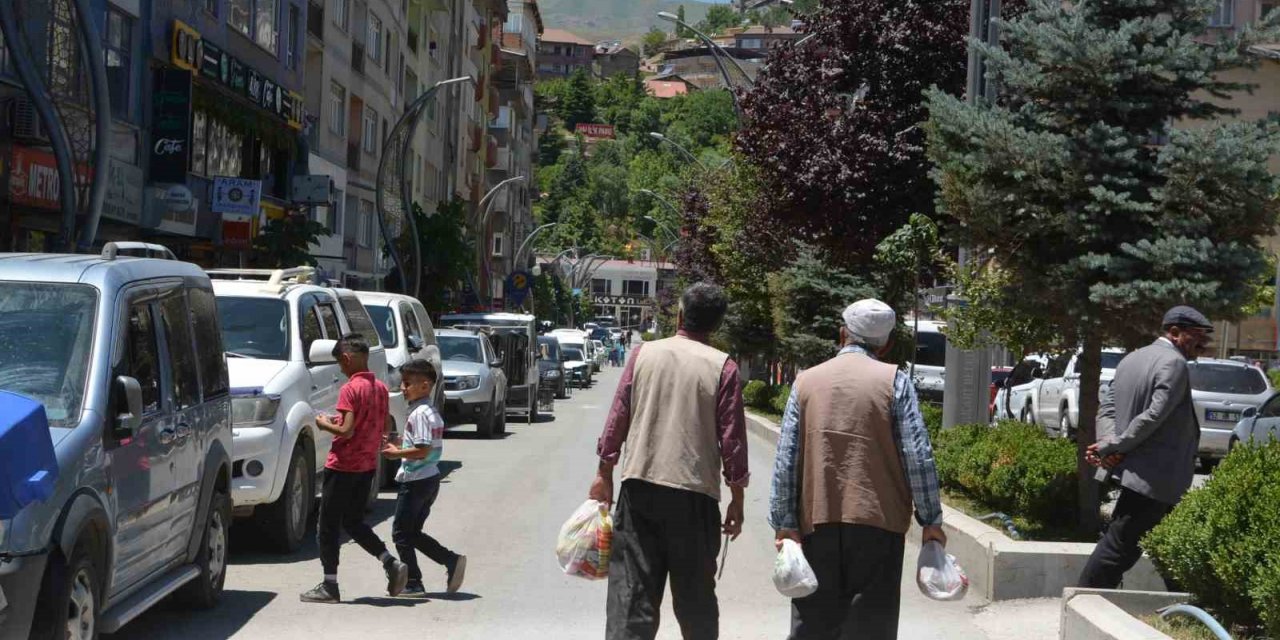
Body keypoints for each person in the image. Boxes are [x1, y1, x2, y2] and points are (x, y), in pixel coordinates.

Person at [768, 299, 946, 640]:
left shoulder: (805, 382)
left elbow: (787, 458)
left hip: (815, 524)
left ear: (842, 335)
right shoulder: (895, 382)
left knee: (813, 622)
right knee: (870, 627)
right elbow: (917, 455)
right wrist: (931, 520)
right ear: (887, 344)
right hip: (879, 527)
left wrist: (785, 523)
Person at [590, 283, 749, 640]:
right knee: (696, 601)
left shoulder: (644, 354)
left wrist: (604, 474)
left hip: (640, 488)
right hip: (695, 497)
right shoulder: (723, 367)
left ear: (679, 314)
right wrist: (737, 500)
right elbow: (732, 443)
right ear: (716, 326)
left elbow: (618, 416)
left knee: (632, 596)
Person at [1078, 306, 1211, 589]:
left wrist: (1108, 443)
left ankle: (1183, 604)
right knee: (1119, 546)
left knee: (1173, 545)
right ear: (1174, 332)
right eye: (1198, 335)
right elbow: (1154, 415)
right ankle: (1085, 598)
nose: (1204, 344)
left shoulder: (1131, 359)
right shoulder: (1173, 364)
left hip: (1144, 474)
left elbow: (1108, 410)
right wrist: (1112, 445)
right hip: (1155, 478)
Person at [302, 335, 409, 604]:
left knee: (327, 525)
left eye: (340, 363)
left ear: (348, 359)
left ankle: (330, 586)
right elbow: (384, 426)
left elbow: (347, 430)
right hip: (366, 466)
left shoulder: (350, 389)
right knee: (353, 522)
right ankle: (390, 562)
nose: (340, 368)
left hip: (342, 466)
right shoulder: (380, 388)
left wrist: (324, 423)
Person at [382, 359, 467, 598]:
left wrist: (396, 453)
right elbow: (420, 444)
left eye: (408, 383)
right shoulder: (429, 411)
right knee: (412, 533)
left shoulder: (419, 413)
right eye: (402, 383)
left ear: (425, 386)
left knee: (400, 532)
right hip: (429, 479)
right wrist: (400, 443)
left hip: (416, 480)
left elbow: (422, 449)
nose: (403, 388)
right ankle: (450, 560)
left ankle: (413, 582)